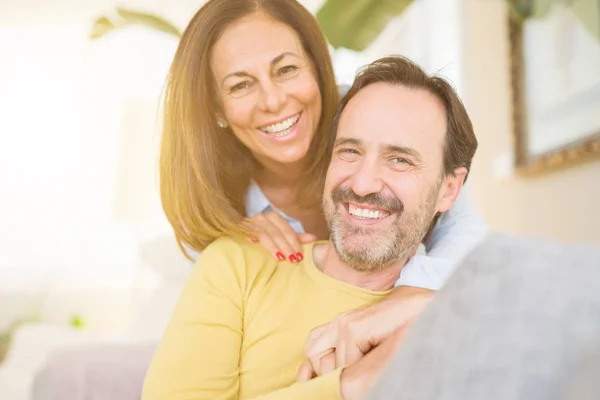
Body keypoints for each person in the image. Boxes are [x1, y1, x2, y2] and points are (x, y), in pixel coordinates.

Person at [142, 55, 478, 399]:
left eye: (399, 160)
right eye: (350, 151)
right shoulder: (237, 265)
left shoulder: (462, 323)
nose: (362, 184)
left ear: (449, 189)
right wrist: (354, 384)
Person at [159, 0, 486, 294]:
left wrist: (412, 297)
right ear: (215, 108)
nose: (273, 101)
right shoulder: (209, 195)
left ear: (317, 68)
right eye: (241, 85)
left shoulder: (369, 114)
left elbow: (462, 232)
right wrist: (234, 240)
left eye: (286, 70)